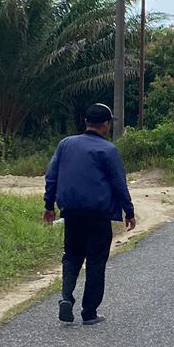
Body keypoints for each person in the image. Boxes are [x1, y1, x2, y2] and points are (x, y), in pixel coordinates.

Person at [43, 102, 136, 326]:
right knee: (96, 261)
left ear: (86, 122)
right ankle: (89, 312)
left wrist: (49, 205)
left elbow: (51, 176)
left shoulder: (65, 144)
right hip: (98, 215)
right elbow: (118, 183)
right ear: (105, 125)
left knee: (72, 256)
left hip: (71, 213)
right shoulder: (107, 150)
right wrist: (129, 211)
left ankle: (66, 298)